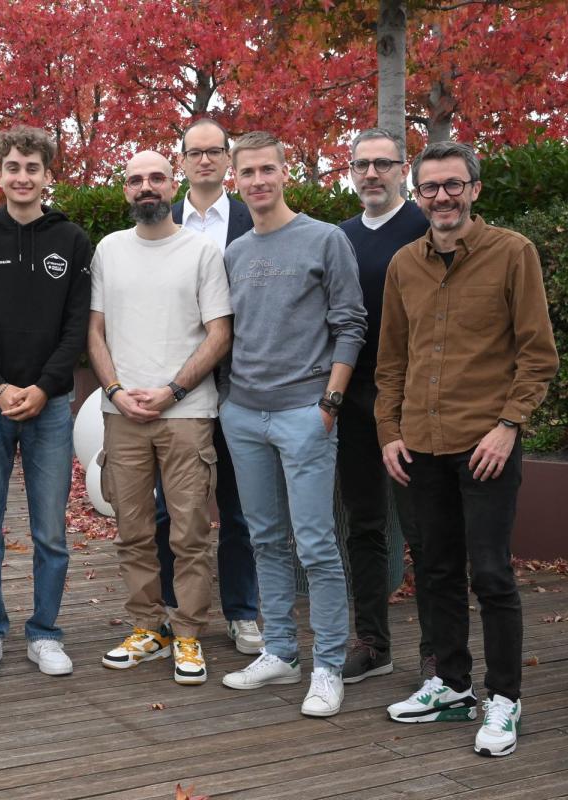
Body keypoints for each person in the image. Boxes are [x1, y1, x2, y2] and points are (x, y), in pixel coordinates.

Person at [378, 141, 557, 758]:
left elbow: (537, 355)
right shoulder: (405, 263)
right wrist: (389, 431)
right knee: (434, 571)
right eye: (429, 188)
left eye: (452, 185)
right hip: (419, 445)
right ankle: (450, 686)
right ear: (418, 194)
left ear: (474, 190)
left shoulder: (513, 254)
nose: (441, 198)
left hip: (486, 445)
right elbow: (391, 360)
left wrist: (508, 426)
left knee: (491, 573)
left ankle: (503, 699)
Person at [217, 131, 366, 719]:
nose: (257, 181)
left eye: (266, 169)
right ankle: (280, 651)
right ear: (237, 181)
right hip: (244, 414)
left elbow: (350, 324)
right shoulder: (232, 253)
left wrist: (329, 404)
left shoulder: (324, 240)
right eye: (247, 172)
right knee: (264, 539)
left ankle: (329, 665)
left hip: (307, 412)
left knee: (316, 545)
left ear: (285, 173)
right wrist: (230, 400)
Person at [89, 150, 232, 685]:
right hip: (121, 413)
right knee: (132, 530)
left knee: (190, 532)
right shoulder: (109, 250)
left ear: (173, 184)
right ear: (125, 190)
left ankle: (189, 634)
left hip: (187, 414)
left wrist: (173, 390)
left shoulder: (201, 251)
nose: (146, 186)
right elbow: (94, 330)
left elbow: (220, 332)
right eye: (134, 180)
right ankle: (147, 627)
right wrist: (115, 390)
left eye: (155, 177)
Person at [0, 125, 92, 677]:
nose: (22, 177)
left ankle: (45, 632)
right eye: (13, 167)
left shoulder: (73, 241)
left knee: (50, 531)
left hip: (51, 405)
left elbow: (76, 325)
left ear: (47, 176)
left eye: (32, 168)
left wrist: (42, 388)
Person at [159, 118, 263, 656]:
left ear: (228, 160)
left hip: (239, 384)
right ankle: (165, 612)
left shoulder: (253, 220)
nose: (204, 161)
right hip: (174, 389)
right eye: (194, 152)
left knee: (239, 509)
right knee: (167, 510)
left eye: (214, 151)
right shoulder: (161, 221)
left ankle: (243, 613)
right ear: (180, 161)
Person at [336, 128, 431, 686]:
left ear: (403, 170)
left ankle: (439, 652)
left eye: (383, 164)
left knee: (426, 527)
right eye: (361, 165)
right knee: (364, 522)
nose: (371, 174)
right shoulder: (340, 237)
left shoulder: (426, 228)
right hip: (354, 399)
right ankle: (372, 641)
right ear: (349, 173)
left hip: (416, 400)